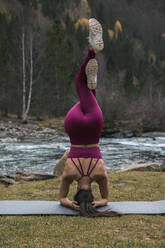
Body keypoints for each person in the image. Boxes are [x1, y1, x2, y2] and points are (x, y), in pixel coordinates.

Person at [59, 18, 121, 217]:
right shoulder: (69, 173)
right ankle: (91, 57)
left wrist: (100, 202)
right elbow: (62, 199)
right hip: (74, 125)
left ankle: (92, 59)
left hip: (94, 125)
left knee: (84, 89)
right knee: (80, 84)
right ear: (76, 193)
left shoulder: (100, 173)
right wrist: (69, 204)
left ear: (91, 194)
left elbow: (105, 200)